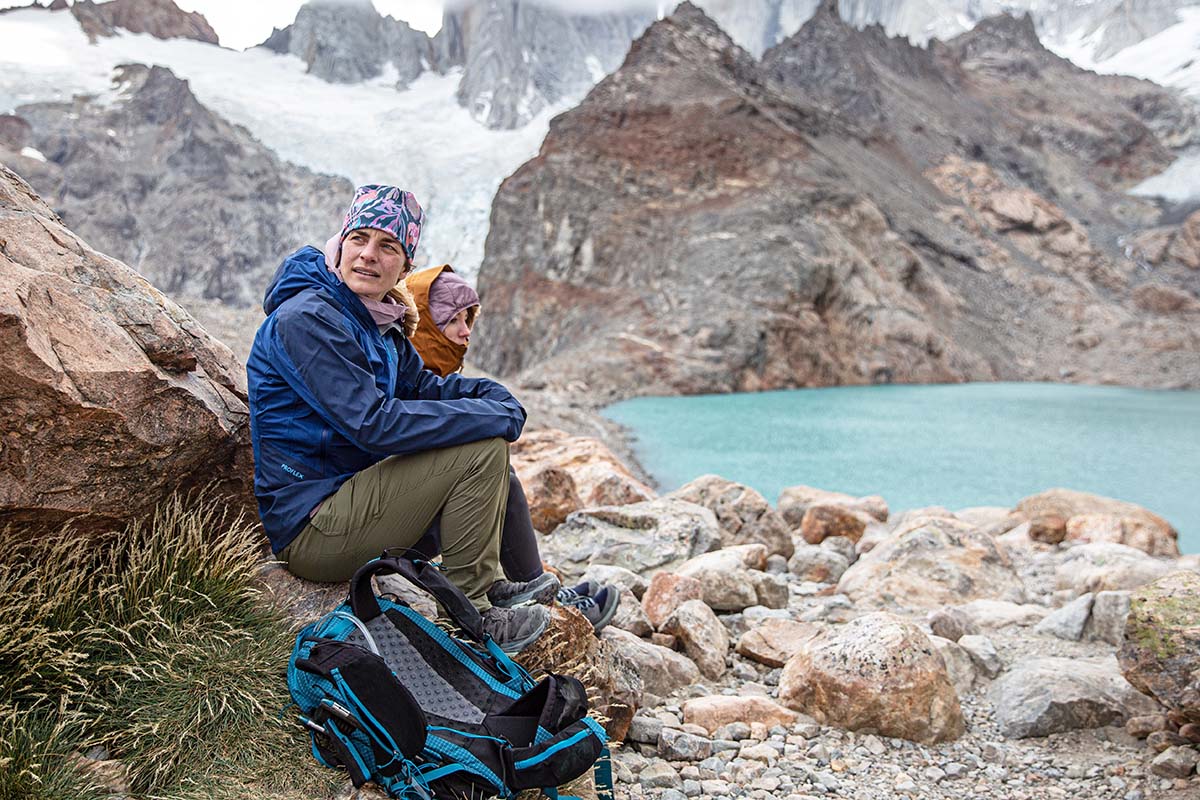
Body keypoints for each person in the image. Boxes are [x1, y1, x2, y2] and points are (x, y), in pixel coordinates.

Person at [247, 184, 549, 653]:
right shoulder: (308, 318)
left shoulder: (375, 322)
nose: (368, 255)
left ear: (405, 267)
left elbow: (428, 388)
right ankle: (471, 617)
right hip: (315, 526)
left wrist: (493, 396)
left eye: (387, 246)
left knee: (489, 459)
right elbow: (375, 423)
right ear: (340, 243)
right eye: (359, 239)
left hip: (355, 504)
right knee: (480, 449)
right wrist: (492, 418)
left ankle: (488, 586)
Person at [401, 263, 622, 633]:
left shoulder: (429, 375)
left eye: (468, 319)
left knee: (496, 472)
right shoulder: (405, 376)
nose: (465, 331)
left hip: (409, 515)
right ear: (425, 322)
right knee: (487, 468)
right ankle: (495, 602)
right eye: (453, 320)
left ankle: (532, 589)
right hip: (391, 528)